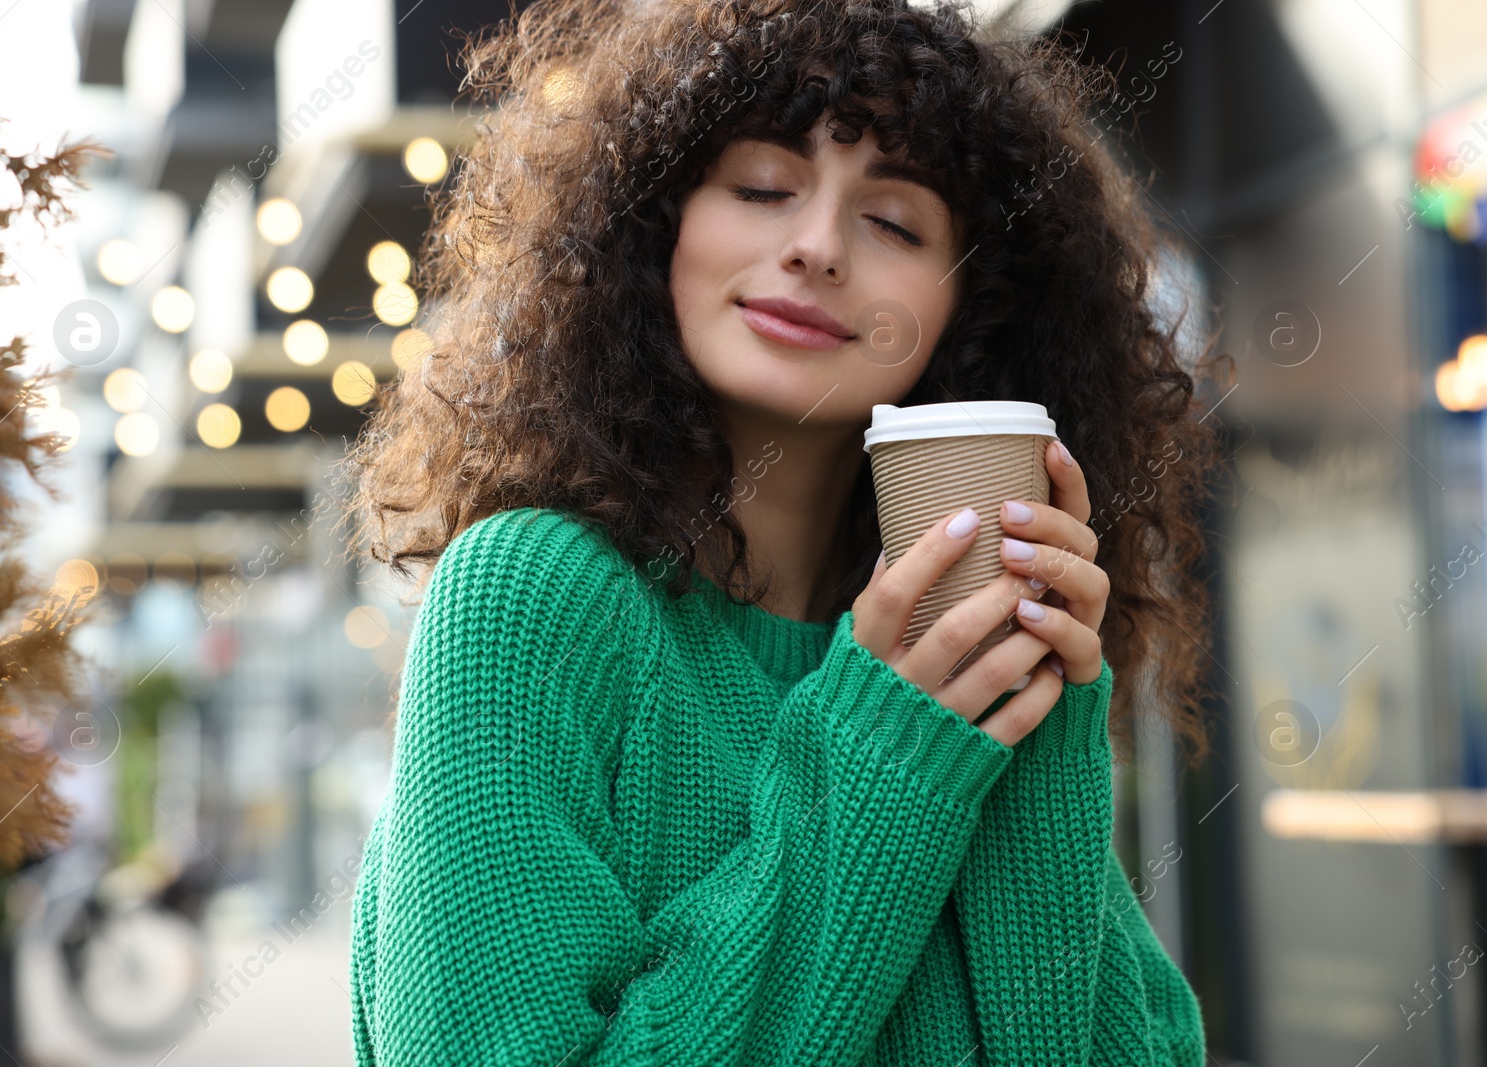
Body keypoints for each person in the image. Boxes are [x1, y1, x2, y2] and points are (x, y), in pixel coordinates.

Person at [340, 0, 1229, 1062]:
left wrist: (1033, 729)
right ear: (657, 217)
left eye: (894, 223)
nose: (815, 247)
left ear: (973, 305)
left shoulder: (951, 658)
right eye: (762, 188)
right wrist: (879, 753)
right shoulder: (533, 598)